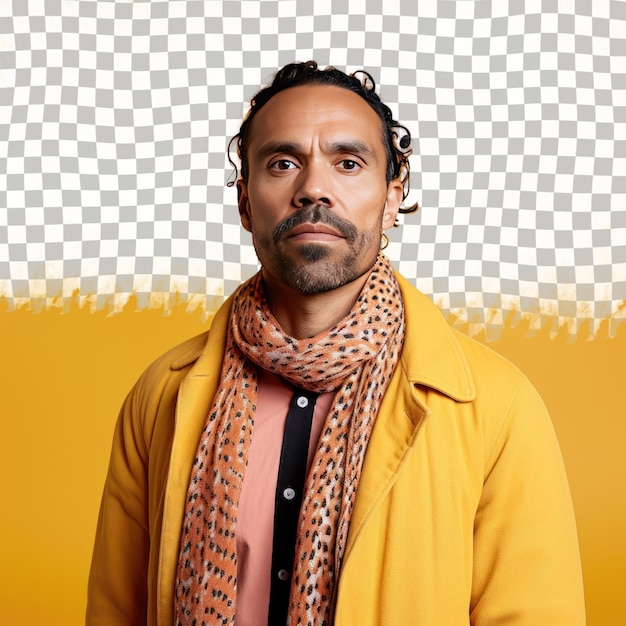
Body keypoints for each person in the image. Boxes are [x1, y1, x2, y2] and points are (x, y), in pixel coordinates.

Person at [87, 61, 585, 626]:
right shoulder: (161, 398)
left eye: (347, 163)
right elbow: (115, 610)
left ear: (392, 198)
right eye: (282, 163)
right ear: (246, 203)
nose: (313, 189)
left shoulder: (494, 406)